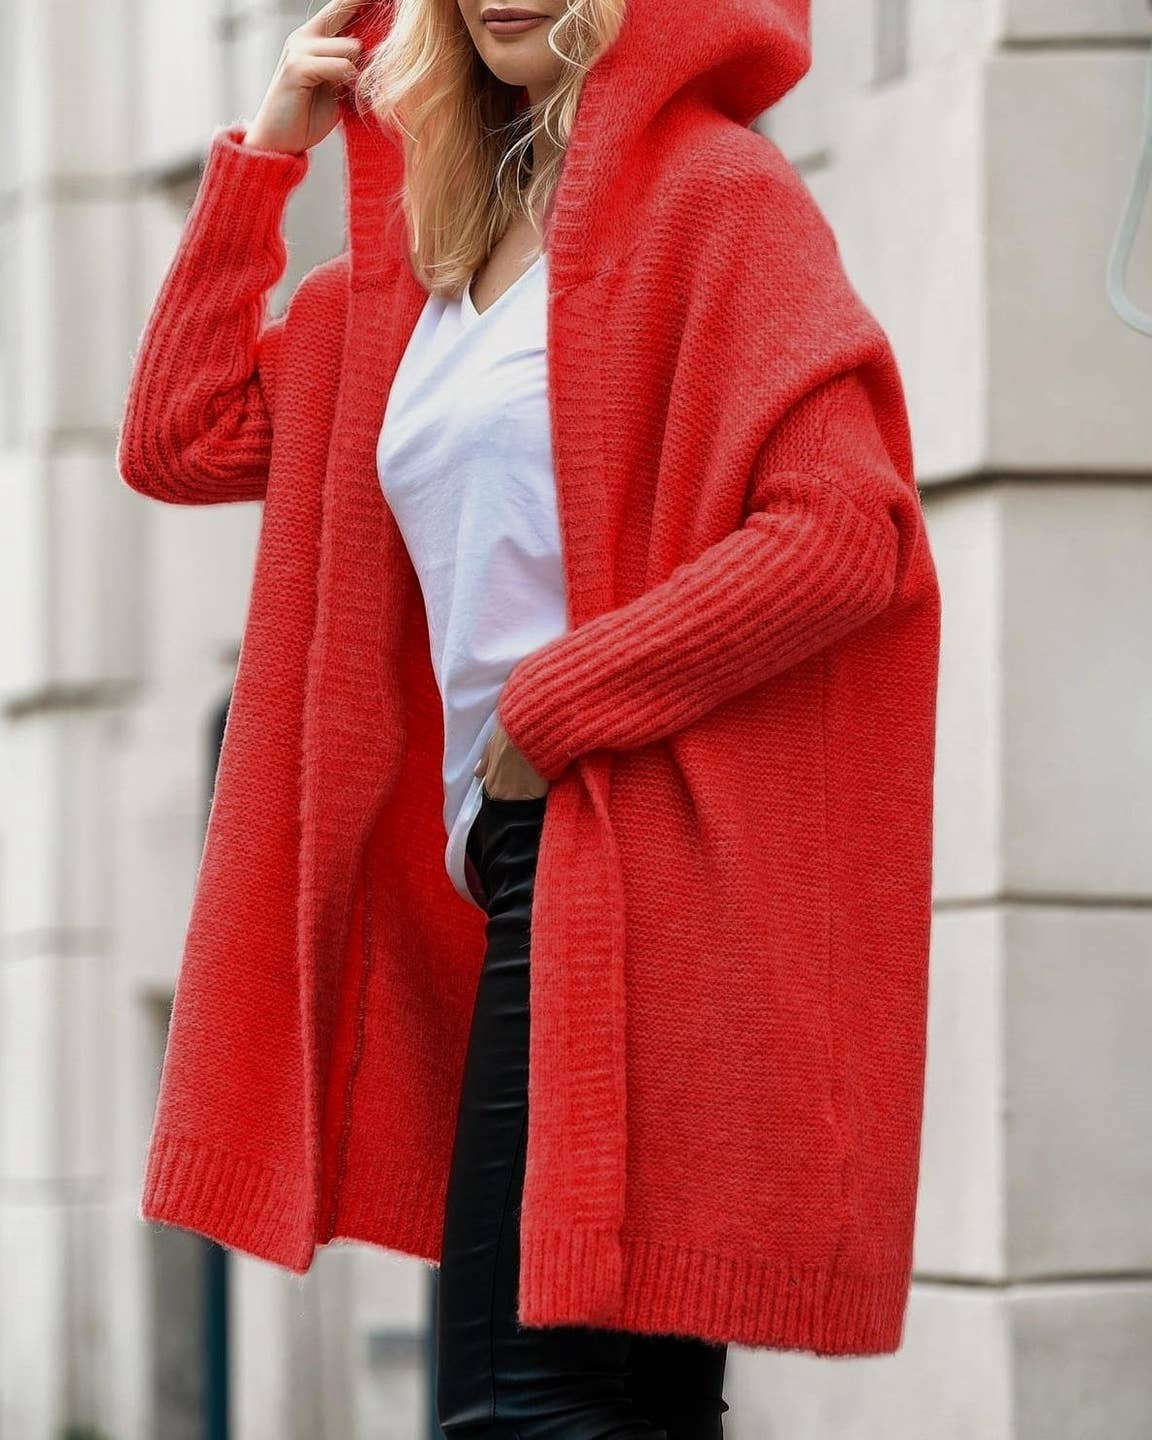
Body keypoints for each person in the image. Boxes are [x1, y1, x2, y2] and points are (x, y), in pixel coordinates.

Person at [120, 0, 942, 1436]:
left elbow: (843, 530)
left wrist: (553, 708)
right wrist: (265, 156)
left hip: (641, 866)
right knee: (620, 1403)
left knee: (526, 1399)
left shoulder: (714, 198)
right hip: (522, 862)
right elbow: (182, 438)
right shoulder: (418, 285)